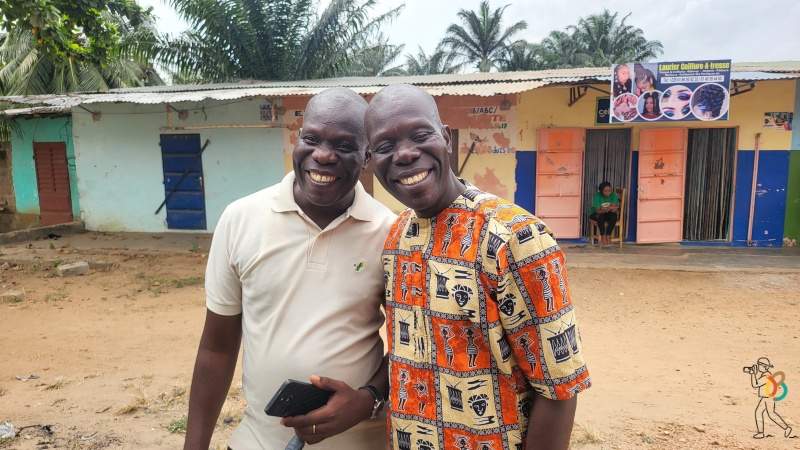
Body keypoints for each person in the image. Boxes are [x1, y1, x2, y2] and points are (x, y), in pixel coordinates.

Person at [366, 84, 590, 450]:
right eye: (385, 147)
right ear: (370, 159)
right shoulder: (396, 239)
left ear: (446, 138)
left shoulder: (515, 238)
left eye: (420, 135)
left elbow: (558, 387)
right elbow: (410, 353)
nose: (405, 154)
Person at [183, 88, 395, 450]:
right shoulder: (240, 219)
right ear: (298, 140)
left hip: (360, 443)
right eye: (311, 139)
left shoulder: (390, 233)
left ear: (367, 156)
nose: (323, 155)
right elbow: (217, 349)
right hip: (258, 440)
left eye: (344, 145)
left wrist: (368, 398)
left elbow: (415, 348)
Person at [748, 357, 792, 439]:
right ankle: (761, 432)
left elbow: (755, 384)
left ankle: (787, 428)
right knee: (759, 412)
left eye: (759, 365)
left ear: (764, 366)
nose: (757, 366)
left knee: (771, 414)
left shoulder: (766, 376)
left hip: (768, 397)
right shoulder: (765, 374)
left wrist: (752, 374)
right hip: (765, 397)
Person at [589, 181, 620, 246]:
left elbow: (615, 208)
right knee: (600, 216)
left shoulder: (613, 195)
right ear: (601, 191)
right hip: (595, 214)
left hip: (607, 213)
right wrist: (609, 208)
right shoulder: (597, 196)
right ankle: (603, 236)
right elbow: (597, 211)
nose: (608, 192)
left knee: (614, 216)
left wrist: (606, 209)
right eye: (605, 191)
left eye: (609, 190)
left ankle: (608, 236)